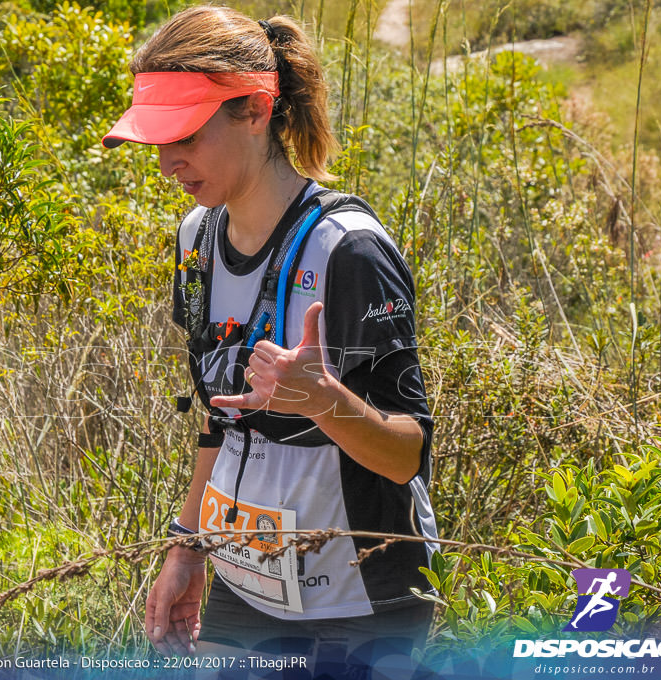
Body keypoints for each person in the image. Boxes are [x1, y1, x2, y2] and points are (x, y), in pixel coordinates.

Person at [102, 6, 438, 672]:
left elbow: (407, 456)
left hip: (358, 599)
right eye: (157, 141)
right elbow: (218, 417)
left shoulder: (349, 251)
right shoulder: (195, 240)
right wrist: (186, 547)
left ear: (255, 109)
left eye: (188, 136)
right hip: (244, 585)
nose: (168, 162)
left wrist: (322, 400)